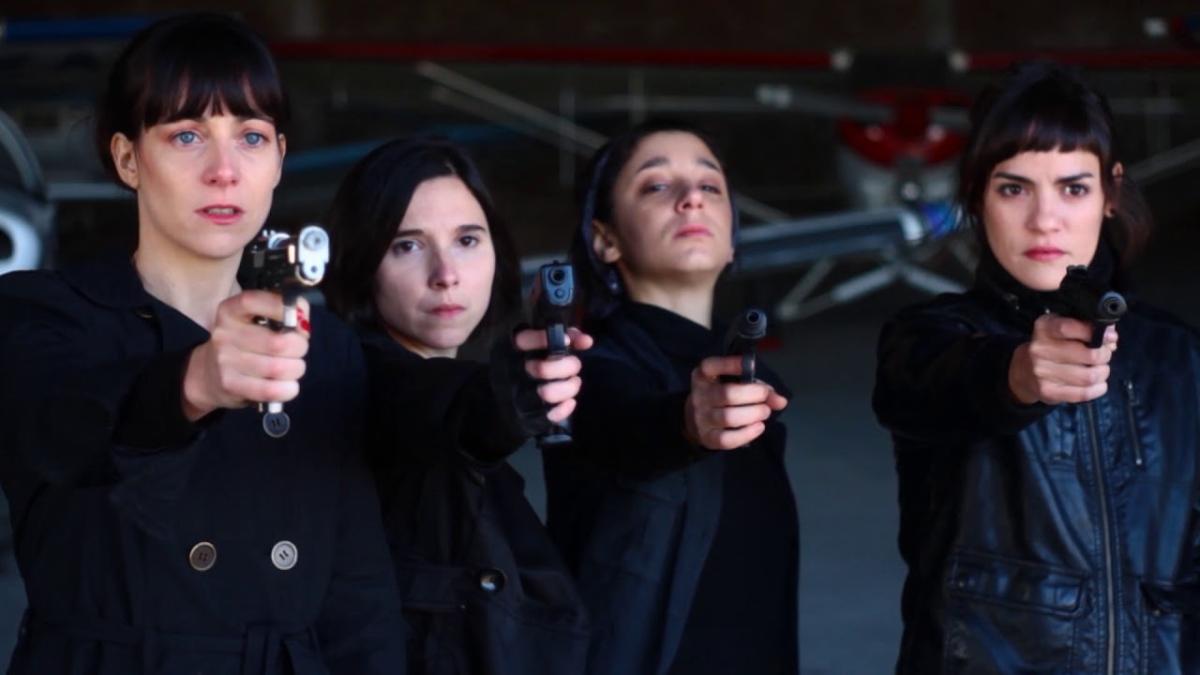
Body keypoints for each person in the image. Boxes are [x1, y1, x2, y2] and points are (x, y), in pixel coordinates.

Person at [0, 14, 406, 674]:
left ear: (279, 156)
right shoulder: (43, 313)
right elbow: (63, 429)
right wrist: (193, 384)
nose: (224, 170)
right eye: (187, 134)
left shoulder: (323, 343)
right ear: (128, 158)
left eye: (250, 136)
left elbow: (357, 597)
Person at [873, 61, 1200, 674]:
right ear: (977, 196)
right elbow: (937, 384)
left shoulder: (1179, 357)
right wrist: (1018, 376)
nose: (1044, 219)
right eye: (1013, 187)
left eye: (1073, 187)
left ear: (1110, 193)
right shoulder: (928, 337)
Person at [323, 137, 591, 675]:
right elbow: (443, 410)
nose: (446, 272)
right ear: (361, 264)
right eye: (407, 245)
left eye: (468, 239)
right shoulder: (364, 381)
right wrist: (511, 393)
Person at [543, 120, 798, 675]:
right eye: (656, 186)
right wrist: (687, 422)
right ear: (603, 239)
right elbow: (629, 427)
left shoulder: (756, 385)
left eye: (711, 187)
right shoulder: (580, 371)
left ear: (732, 235)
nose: (690, 199)